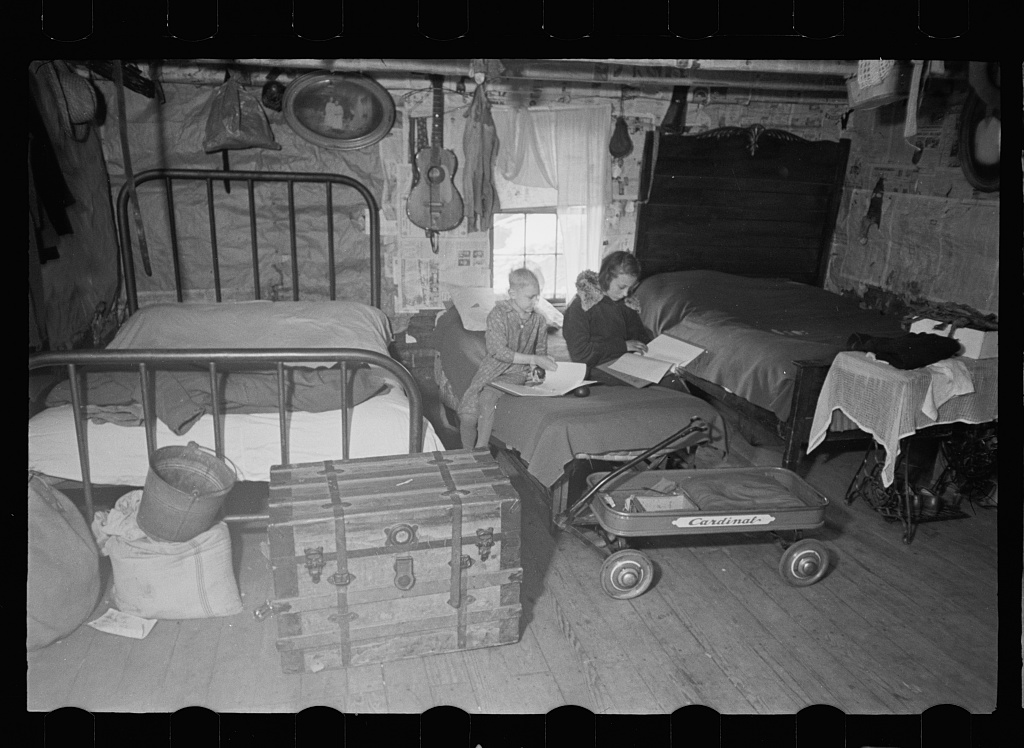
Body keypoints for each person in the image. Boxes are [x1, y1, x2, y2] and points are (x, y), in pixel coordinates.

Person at [457, 268, 558, 449]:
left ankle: (481, 452)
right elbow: (498, 351)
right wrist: (534, 359)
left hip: (517, 372)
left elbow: (541, 351)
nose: (535, 302)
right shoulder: (498, 314)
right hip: (491, 370)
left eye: (537, 297)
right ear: (512, 293)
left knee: (487, 398)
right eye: (530, 297)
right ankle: (466, 453)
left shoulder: (539, 321)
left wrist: (537, 370)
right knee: (467, 416)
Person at [562, 251, 653, 385]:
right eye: (622, 287)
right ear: (606, 277)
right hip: (595, 370)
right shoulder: (580, 306)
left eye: (630, 287)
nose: (626, 293)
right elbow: (580, 355)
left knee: (671, 381)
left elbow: (639, 336)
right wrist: (622, 346)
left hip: (627, 363)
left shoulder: (626, 302)